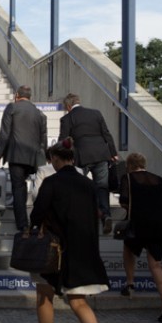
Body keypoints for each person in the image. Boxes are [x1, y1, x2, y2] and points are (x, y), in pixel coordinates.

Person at [25, 136, 112, 323]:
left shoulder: (52, 182)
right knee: (78, 301)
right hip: (82, 251)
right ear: (73, 159)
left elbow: (37, 214)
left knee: (44, 294)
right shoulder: (88, 184)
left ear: (54, 158)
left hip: (54, 251)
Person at [117, 152, 162, 323]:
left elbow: (123, 201)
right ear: (144, 164)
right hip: (159, 226)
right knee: (156, 265)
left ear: (129, 165)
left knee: (128, 248)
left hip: (138, 225)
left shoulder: (127, 178)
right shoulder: (158, 179)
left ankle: (130, 284)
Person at [58, 92, 118, 235]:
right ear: (79, 101)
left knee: (78, 188)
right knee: (102, 187)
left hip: (81, 156)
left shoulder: (67, 118)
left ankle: (80, 219)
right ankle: (106, 216)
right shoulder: (96, 113)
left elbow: (63, 142)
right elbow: (106, 133)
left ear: (68, 105)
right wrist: (113, 152)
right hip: (101, 154)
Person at [0, 85, 47, 232]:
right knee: (32, 187)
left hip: (16, 155)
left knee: (18, 188)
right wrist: (44, 159)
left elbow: (4, 135)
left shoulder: (12, 108)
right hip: (33, 157)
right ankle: (36, 222)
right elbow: (43, 139)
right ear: (30, 97)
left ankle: (22, 224)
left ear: (17, 95)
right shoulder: (39, 113)